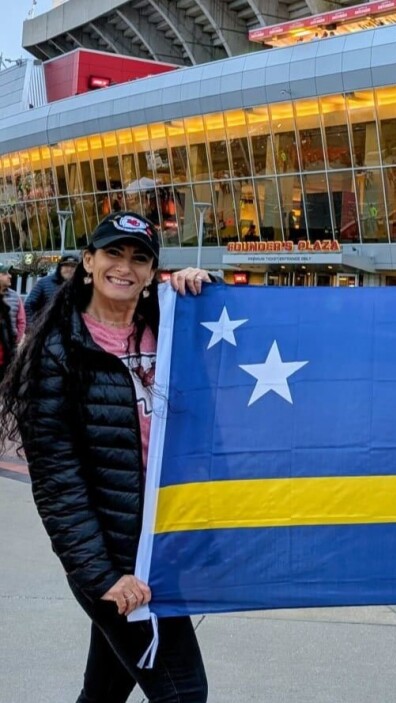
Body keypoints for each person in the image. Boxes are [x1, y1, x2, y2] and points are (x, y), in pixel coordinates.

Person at [0, 212, 213, 703]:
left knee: (104, 691)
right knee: (183, 693)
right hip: (115, 560)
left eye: (140, 257)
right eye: (113, 253)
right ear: (89, 263)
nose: (126, 266)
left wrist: (207, 288)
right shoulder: (56, 354)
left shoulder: (171, 327)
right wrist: (102, 577)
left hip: (163, 548)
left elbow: (233, 345)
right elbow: (58, 483)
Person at [25, 253, 80, 326]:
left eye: (73, 266)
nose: (69, 269)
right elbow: (29, 305)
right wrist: (32, 327)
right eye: (66, 265)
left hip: (74, 333)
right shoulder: (44, 283)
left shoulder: (81, 286)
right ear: (60, 267)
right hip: (47, 332)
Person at [0, 263, 25, 344]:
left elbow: (21, 321)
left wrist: (16, 340)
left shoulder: (15, 296)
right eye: (5, 273)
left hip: (9, 347)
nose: (10, 276)